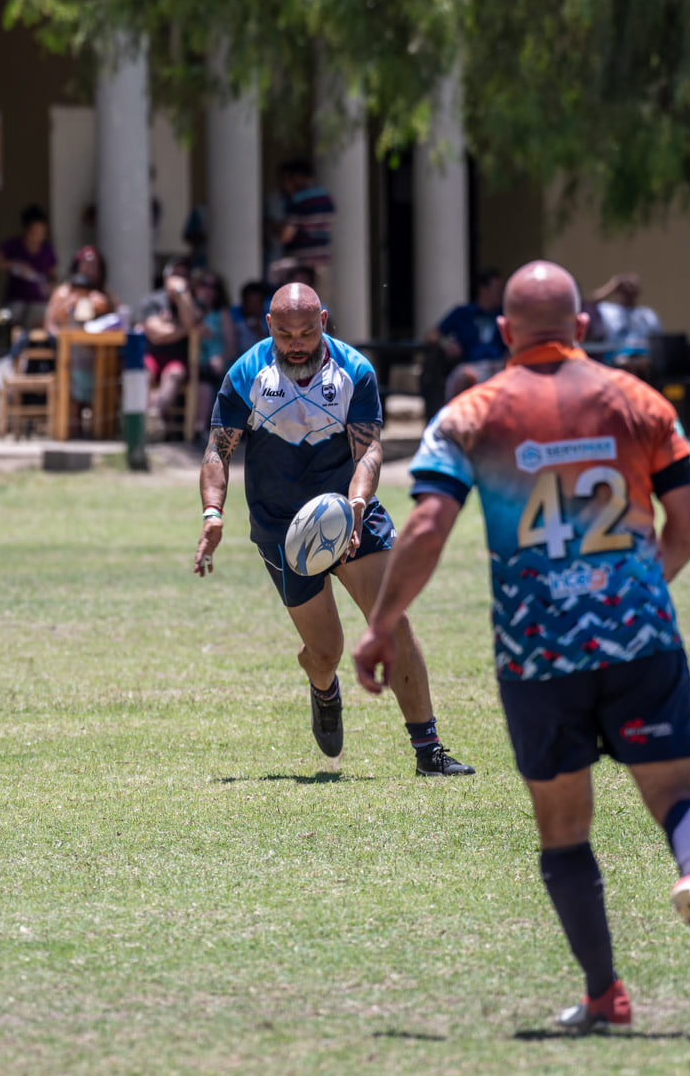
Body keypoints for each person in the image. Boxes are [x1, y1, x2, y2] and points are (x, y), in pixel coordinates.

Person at [350, 260, 690, 1033]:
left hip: (536, 647)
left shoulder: (471, 413)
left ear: (504, 333)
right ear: (582, 327)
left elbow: (428, 526)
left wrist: (378, 625)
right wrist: (640, 589)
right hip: (638, 634)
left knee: (563, 825)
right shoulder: (638, 401)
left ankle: (605, 992)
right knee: (681, 796)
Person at [193, 282, 474, 777]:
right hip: (282, 527)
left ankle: (428, 752)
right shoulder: (246, 373)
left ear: (323, 320)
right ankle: (322, 685)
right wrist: (213, 514)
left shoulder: (355, 371)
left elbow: (367, 448)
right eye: (285, 334)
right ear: (269, 328)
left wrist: (357, 505)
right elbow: (219, 449)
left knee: (392, 622)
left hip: (350, 513)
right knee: (327, 651)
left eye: (306, 331)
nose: (296, 343)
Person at [42, 246, 120, 436]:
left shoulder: (103, 294)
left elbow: (119, 318)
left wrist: (102, 306)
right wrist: (70, 305)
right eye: (85, 264)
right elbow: (50, 324)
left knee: (109, 374)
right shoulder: (64, 292)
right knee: (72, 377)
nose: (89, 269)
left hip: (101, 357)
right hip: (70, 356)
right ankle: (73, 431)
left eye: (94, 265)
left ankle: (101, 431)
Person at [139, 258, 204, 436]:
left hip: (177, 360)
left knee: (173, 374)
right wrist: (184, 329)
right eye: (176, 275)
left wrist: (182, 294)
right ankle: (142, 421)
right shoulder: (152, 300)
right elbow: (156, 335)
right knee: (143, 371)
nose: (179, 280)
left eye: (184, 276)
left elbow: (190, 319)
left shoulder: (193, 301)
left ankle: (154, 416)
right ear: (167, 277)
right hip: (152, 356)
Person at [429, 268, 507, 398]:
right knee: (460, 377)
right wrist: (445, 344)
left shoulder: (504, 314)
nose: (501, 293)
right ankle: (452, 416)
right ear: (483, 289)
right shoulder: (463, 313)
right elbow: (431, 334)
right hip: (471, 368)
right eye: (497, 289)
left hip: (500, 366)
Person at [0, 205, 58, 336]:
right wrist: (14, 264)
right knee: (11, 321)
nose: (38, 237)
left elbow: (53, 276)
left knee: (43, 321)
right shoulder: (12, 245)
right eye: (34, 233)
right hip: (16, 301)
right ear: (25, 230)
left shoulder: (47, 249)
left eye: (41, 233)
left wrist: (50, 286)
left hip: (39, 302)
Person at [587, 272, 665, 379]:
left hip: (643, 358)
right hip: (616, 357)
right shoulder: (608, 310)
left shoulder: (647, 314)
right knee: (623, 363)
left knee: (645, 364)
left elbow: (659, 340)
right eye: (624, 288)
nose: (628, 291)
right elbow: (589, 304)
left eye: (632, 287)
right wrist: (612, 286)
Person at [277, 160, 334, 304]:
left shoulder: (298, 199)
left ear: (296, 177)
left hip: (301, 265)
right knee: (320, 306)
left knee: (299, 308)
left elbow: (286, 235)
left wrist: (273, 228)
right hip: (322, 260)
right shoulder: (325, 196)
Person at [193, 270, 241, 430]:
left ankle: (201, 427)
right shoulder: (190, 312)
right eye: (204, 285)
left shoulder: (222, 313)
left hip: (217, 363)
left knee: (208, 373)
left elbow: (231, 347)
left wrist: (220, 358)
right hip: (192, 362)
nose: (209, 290)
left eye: (214, 286)